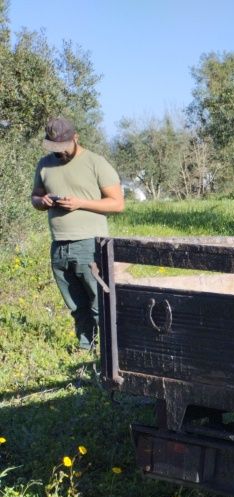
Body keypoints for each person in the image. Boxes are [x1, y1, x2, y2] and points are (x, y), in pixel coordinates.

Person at [31, 116, 124, 351]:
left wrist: (80, 203)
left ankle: (110, 352)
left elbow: (117, 204)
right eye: (55, 148)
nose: (60, 153)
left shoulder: (96, 162)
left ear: (76, 138)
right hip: (59, 246)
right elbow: (35, 196)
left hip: (90, 244)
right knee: (76, 305)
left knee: (99, 302)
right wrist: (41, 202)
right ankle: (86, 349)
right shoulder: (44, 164)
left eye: (63, 147)